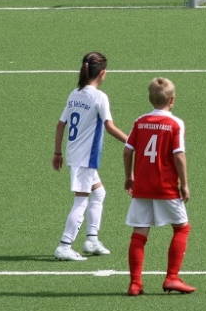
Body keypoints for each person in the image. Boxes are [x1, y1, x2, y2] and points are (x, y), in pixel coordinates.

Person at [52, 52, 128, 261]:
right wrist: (132, 142)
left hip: (75, 154)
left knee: (99, 193)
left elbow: (61, 124)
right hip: (85, 158)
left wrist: (57, 152)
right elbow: (109, 127)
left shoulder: (75, 93)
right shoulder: (99, 97)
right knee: (81, 200)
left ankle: (92, 240)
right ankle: (64, 245)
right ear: (102, 73)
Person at [123, 77, 194, 296]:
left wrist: (129, 176)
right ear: (172, 100)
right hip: (165, 186)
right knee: (181, 228)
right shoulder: (175, 124)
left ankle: (135, 284)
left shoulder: (140, 121)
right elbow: (179, 155)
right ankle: (172, 277)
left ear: (149, 98)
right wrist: (184, 183)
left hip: (142, 185)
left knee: (139, 233)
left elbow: (127, 150)